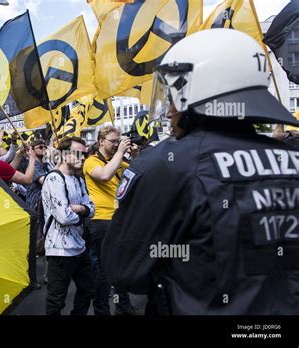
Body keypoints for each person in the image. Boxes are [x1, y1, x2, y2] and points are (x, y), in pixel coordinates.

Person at [102, 29, 299, 315]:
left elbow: (123, 266)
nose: (169, 110)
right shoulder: (292, 159)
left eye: (175, 95)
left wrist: (182, 256)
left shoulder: (168, 164)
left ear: (203, 91)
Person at [83, 126, 139, 315]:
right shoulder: (90, 162)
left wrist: (136, 155)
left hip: (118, 220)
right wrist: (121, 152)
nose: (116, 144)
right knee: (105, 271)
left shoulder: (119, 162)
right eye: (113, 141)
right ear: (101, 142)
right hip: (101, 220)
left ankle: (123, 306)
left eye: (118, 141)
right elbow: (105, 175)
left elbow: (140, 175)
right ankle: (101, 310)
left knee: (121, 266)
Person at [42, 137, 95, 315]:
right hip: (60, 251)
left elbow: (92, 208)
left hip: (79, 247)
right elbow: (64, 216)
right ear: (65, 155)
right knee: (56, 300)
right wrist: (83, 214)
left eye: (85, 154)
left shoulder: (79, 180)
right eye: (79, 153)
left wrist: (80, 208)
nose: (83, 158)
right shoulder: (54, 179)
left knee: (88, 289)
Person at [25, 139, 50, 210]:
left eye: (45, 147)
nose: (44, 149)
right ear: (32, 150)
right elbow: (44, 181)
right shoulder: (33, 165)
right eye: (40, 147)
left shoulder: (46, 164)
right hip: (36, 204)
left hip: (44, 203)